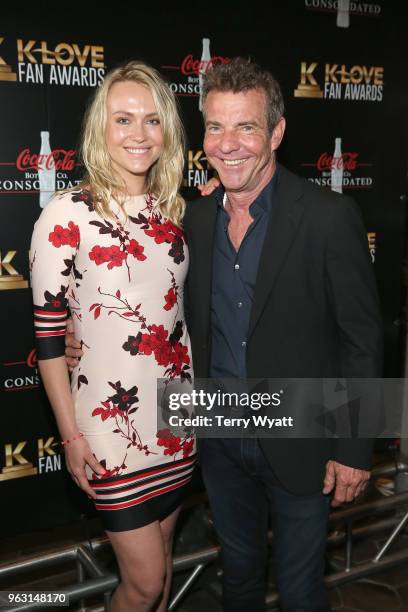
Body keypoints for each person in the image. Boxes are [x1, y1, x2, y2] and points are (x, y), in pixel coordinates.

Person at [66, 58, 383, 611]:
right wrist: (81, 331)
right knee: (235, 580)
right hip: (217, 434)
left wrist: (355, 448)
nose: (228, 143)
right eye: (215, 126)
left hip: (302, 431)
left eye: (246, 127)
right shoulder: (193, 219)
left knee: (302, 591)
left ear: (276, 133)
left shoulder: (330, 217)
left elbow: (362, 337)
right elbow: (147, 296)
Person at [30, 61, 196, 612]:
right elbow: (51, 337)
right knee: (144, 581)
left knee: (164, 566)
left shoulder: (174, 213)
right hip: (108, 425)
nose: (138, 134)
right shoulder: (66, 214)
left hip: (177, 416)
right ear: (101, 126)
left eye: (152, 121)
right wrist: (70, 435)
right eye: (123, 119)